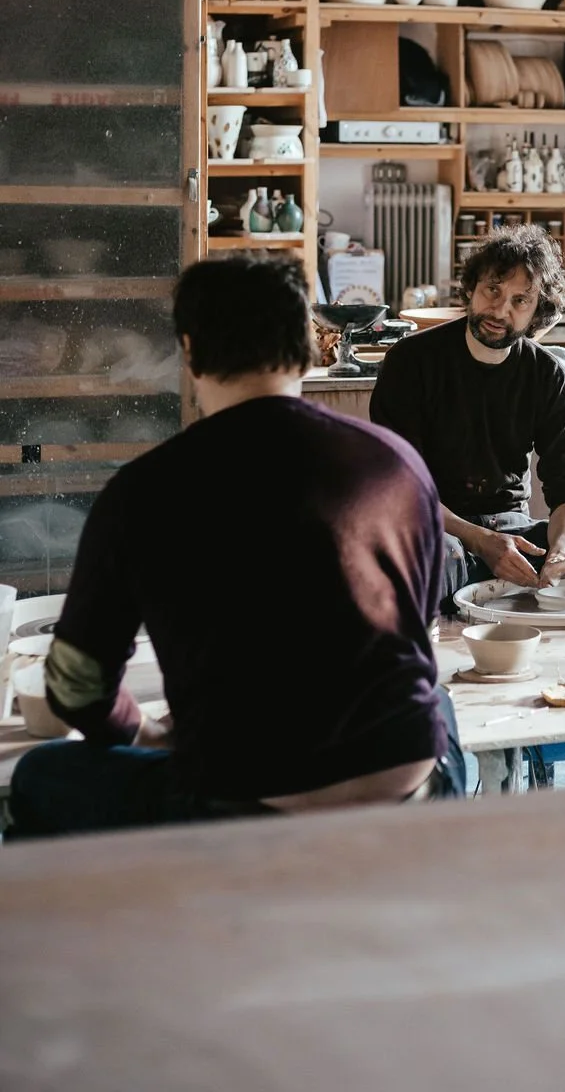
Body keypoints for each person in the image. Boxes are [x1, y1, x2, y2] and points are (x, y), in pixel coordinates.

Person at [9, 257, 464, 839]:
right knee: (436, 703)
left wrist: (147, 733)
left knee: (42, 774)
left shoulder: (143, 490)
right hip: (412, 788)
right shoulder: (396, 464)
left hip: (245, 810)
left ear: (191, 352)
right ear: (308, 346)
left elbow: (75, 687)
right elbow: (414, 632)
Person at [370, 225, 565, 604]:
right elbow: (400, 487)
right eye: (493, 290)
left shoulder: (547, 373)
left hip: (514, 531)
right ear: (471, 288)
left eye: (520, 301)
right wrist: (481, 541)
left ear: (537, 312)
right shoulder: (410, 362)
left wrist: (561, 553)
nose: (500, 310)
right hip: (438, 527)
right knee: (427, 565)